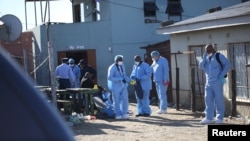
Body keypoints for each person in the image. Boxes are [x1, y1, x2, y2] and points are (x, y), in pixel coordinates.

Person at [199, 44, 231, 124]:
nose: (208, 51)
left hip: (218, 80)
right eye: (206, 50)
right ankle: (209, 117)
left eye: (209, 50)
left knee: (219, 99)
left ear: (213, 49)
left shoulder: (219, 56)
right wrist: (204, 58)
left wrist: (222, 74)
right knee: (208, 99)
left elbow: (227, 64)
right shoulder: (206, 57)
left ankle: (219, 118)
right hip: (208, 81)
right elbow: (200, 66)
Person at [107, 55, 130, 119]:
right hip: (116, 86)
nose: (120, 61)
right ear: (116, 61)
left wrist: (129, 80)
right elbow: (109, 77)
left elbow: (124, 75)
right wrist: (119, 78)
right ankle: (117, 114)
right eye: (119, 60)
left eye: (121, 60)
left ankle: (124, 113)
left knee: (125, 99)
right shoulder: (112, 67)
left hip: (123, 85)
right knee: (116, 100)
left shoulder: (123, 66)